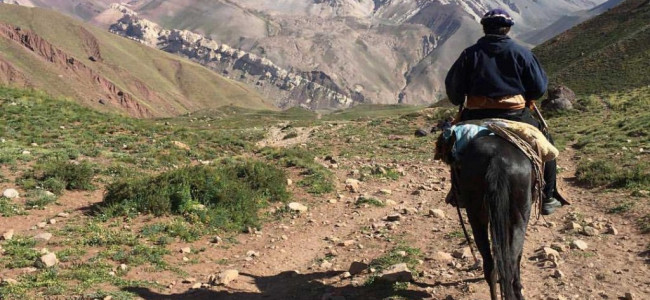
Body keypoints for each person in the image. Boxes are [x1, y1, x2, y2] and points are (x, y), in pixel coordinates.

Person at [444, 8, 566, 215]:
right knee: (546, 140)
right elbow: (538, 88)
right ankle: (548, 195)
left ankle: (458, 192)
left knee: (451, 144)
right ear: (507, 29)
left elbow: (454, 91)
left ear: (484, 28)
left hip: (475, 116)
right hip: (515, 115)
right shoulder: (523, 53)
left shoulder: (469, 54)